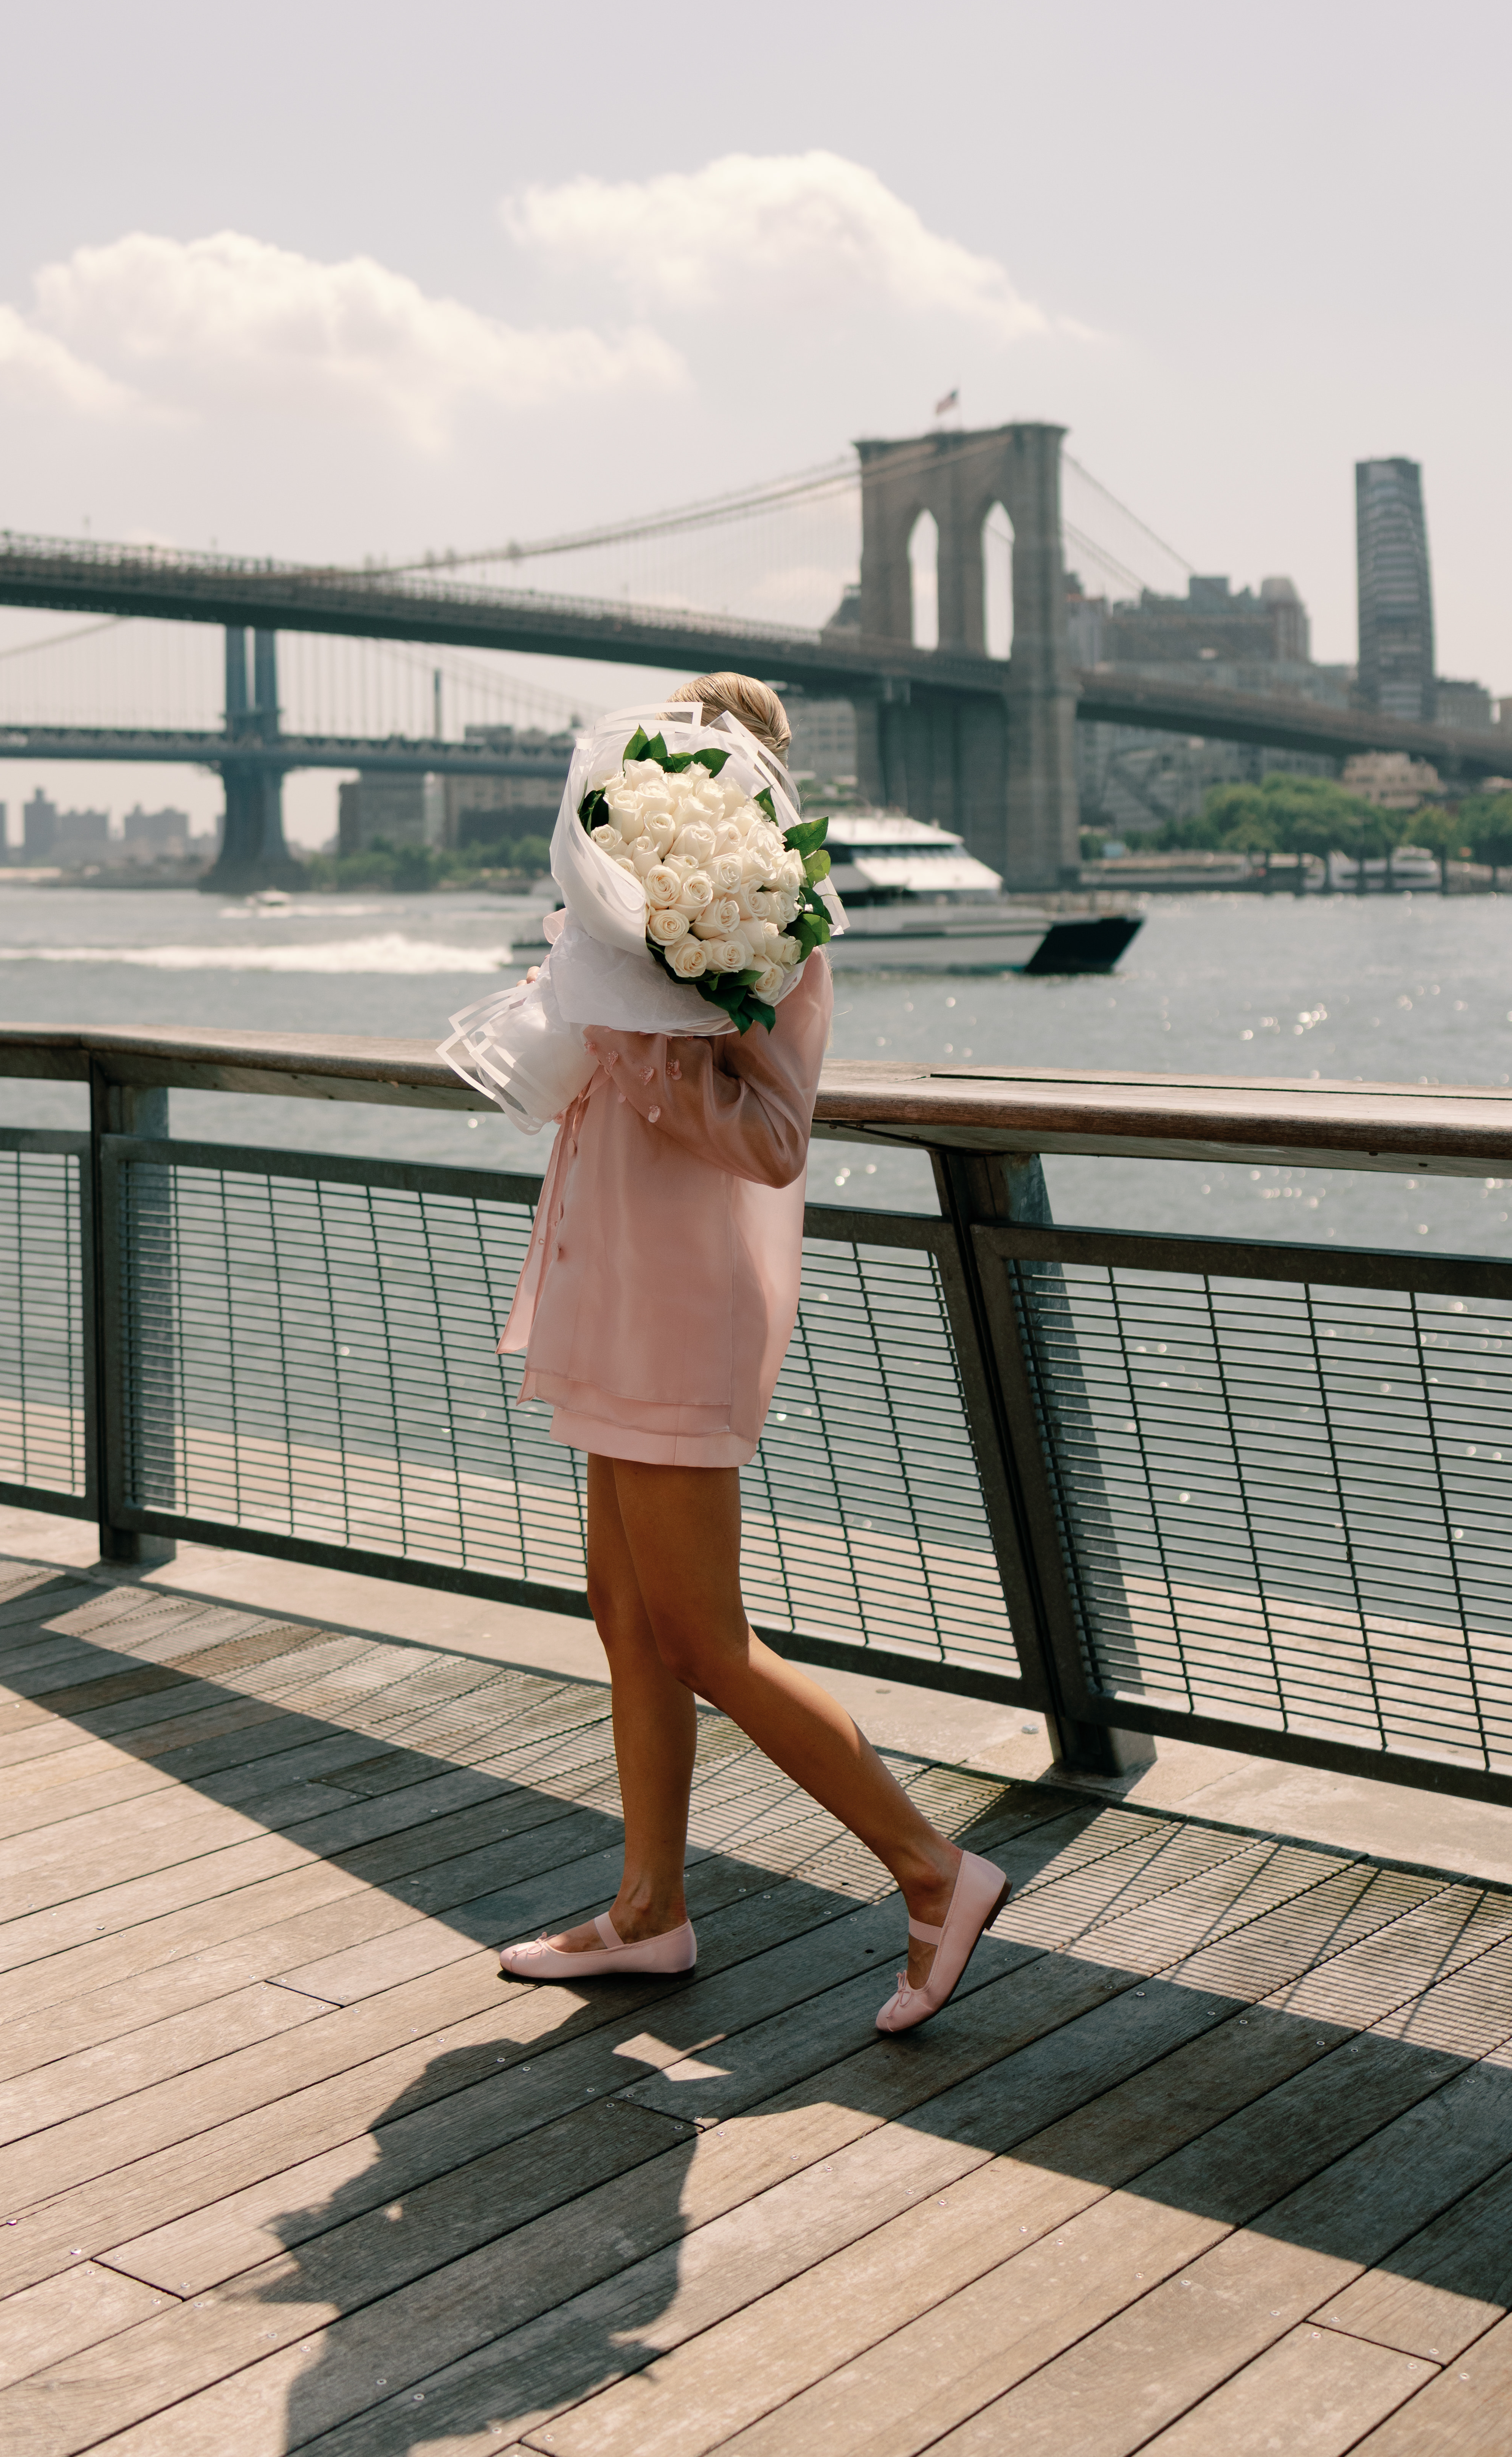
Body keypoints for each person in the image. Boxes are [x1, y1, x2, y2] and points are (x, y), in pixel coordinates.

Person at [493, 671, 1004, 2033]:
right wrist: (608, 992)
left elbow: (776, 1140)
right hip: (610, 1290)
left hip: (681, 1303)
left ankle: (933, 1872)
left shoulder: (776, 939)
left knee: (704, 1635)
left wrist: (651, 1040)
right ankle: (649, 1913)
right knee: (624, 1616)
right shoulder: (645, 931)